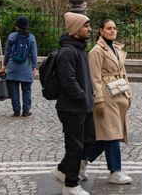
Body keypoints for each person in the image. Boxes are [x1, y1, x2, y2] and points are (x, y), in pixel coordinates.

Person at [51, 13, 95, 195]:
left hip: (83, 106)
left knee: (90, 140)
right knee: (75, 146)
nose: (89, 29)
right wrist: (81, 96)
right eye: (86, 26)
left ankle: (62, 170)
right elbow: (68, 80)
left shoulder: (80, 49)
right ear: (76, 29)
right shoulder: (67, 51)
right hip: (71, 108)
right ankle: (70, 185)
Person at [86, 20, 133, 184]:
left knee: (106, 136)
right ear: (101, 31)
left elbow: (123, 72)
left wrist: (128, 93)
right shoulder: (96, 51)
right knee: (112, 134)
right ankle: (115, 171)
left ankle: (79, 162)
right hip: (106, 96)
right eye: (109, 28)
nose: (113, 31)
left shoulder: (117, 48)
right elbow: (95, 78)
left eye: (114, 28)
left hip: (118, 94)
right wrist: (98, 100)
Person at [1, 16, 38, 117]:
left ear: (17, 26)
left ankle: (16, 110)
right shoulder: (31, 37)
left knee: (14, 90)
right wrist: (34, 66)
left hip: (13, 67)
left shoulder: (12, 36)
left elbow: (7, 52)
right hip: (26, 67)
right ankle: (26, 110)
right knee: (26, 90)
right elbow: (34, 53)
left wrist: (4, 65)